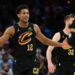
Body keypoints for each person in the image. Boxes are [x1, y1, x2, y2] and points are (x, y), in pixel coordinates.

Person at [0, 4, 69, 75]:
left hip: (32, 62)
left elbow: (45, 40)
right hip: (19, 62)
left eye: (27, 13)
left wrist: (61, 44)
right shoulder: (12, 29)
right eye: (23, 13)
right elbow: (1, 41)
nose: (26, 15)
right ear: (18, 15)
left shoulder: (34, 27)